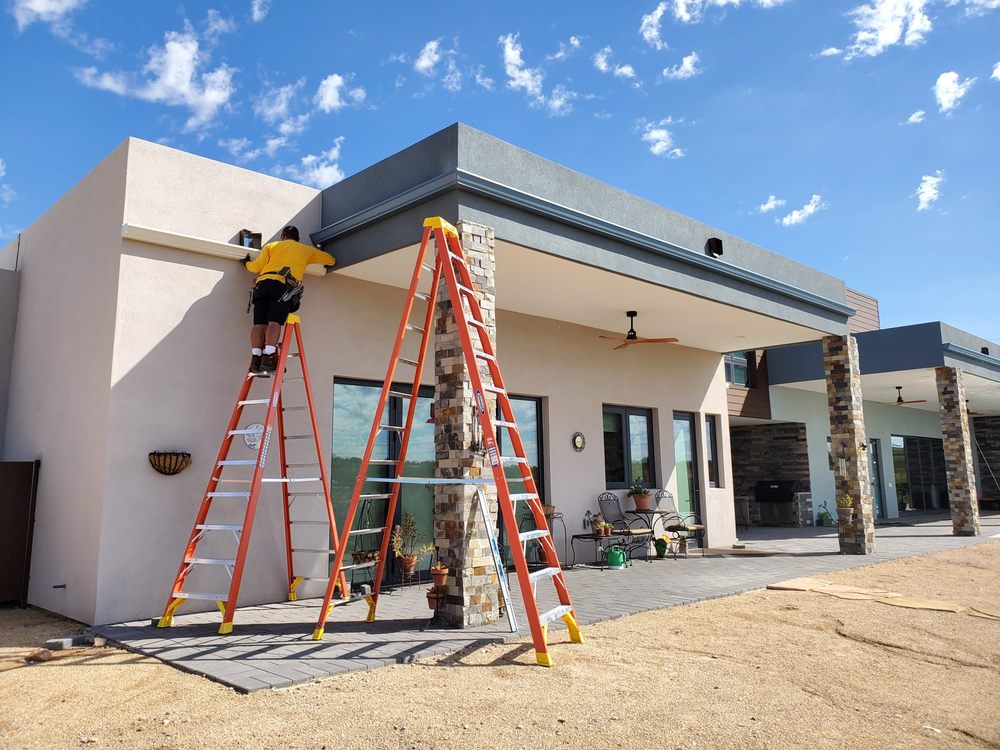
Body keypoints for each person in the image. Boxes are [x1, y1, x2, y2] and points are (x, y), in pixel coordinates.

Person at [241, 225, 334, 375]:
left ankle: (255, 359)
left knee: (259, 324)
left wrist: (246, 263)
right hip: (282, 285)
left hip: (262, 284)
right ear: (298, 239)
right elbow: (330, 260)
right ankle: (268, 357)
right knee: (274, 322)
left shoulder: (271, 246)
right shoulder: (305, 250)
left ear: (282, 236)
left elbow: (256, 267)